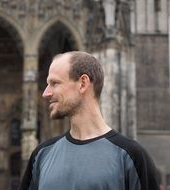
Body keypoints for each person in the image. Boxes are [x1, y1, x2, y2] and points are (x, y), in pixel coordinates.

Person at [19, 51, 159, 190]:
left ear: (83, 83)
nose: (45, 93)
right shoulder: (41, 154)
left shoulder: (131, 156)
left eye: (55, 83)